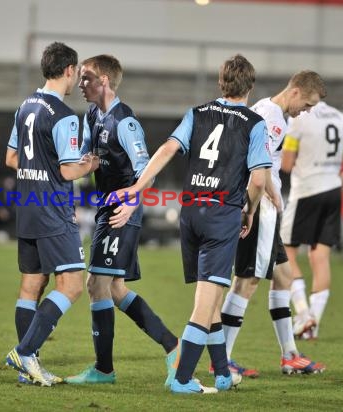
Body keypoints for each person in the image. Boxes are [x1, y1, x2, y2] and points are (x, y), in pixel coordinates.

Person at [117, 54, 270, 394]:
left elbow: (168, 148)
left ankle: (221, 372)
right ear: (251, 87)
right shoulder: (254, 122)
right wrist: (250, 211)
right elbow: (258, 181)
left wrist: (138, 187)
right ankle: (182, 377)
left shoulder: (196, 113)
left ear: (220, 82)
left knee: (211, 298)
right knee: (205, 303)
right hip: (221, 215)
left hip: (191, 214)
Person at [63, 55, 179, 386]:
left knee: (96, 284)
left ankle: (104, 369)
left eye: (85, 78)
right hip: (107, 207)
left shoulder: (126, 123)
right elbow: (88, 156)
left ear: (104, 81)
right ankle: (173, 346)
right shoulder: (92, 115)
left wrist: (132, 204)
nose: (80, 84)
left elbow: (148, 172)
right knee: (114, 288)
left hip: (122, 210)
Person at [218, 71, 327, 378]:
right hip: (261, 206)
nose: (305, 110)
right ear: (294, 92)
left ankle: (290, 354)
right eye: (306, 103)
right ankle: (221, 358)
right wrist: (273, 196)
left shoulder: (268, 110)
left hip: (265, 206)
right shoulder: (273, 118)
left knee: (283, 276)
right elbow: (258, 163)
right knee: (248, 280)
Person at [4, 42, 99, 386]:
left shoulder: (26, 105)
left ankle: (27, 370)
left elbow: (11, 159)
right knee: (72, 284)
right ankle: (26, 352)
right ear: (70, 70)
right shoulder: (62, 116)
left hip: (27, 206)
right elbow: (67, 171)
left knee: (32, 284)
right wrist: (90, 164)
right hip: (53, 211)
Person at [281, 101, 343, 339]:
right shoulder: (340, 116)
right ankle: (312, 327)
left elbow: (286, 164)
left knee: (285, 253)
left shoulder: (299, 119)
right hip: (334, 191)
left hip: (306, 192)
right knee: (320, 257)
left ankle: (303, 314)